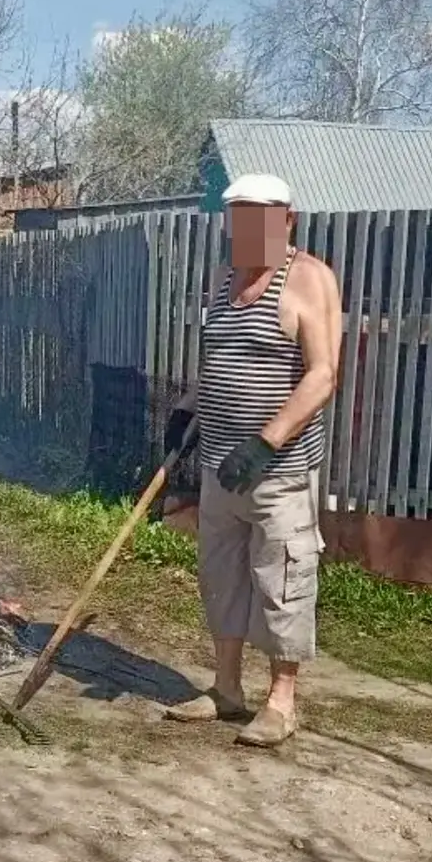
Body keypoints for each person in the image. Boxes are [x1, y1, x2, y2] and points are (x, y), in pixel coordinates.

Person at [163, 173, 340, 747]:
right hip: (220, 465)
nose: (246, 232)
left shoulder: (309, 278)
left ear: (287, 220)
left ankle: (281, 703)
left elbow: (323, 375)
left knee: (282, 578)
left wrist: (267, 442)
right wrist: (186, 410)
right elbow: (223, 357)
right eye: (237, 220)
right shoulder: (223, 279)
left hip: (278, 471)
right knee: (222, 577)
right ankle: (227, 688)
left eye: (259, 220)